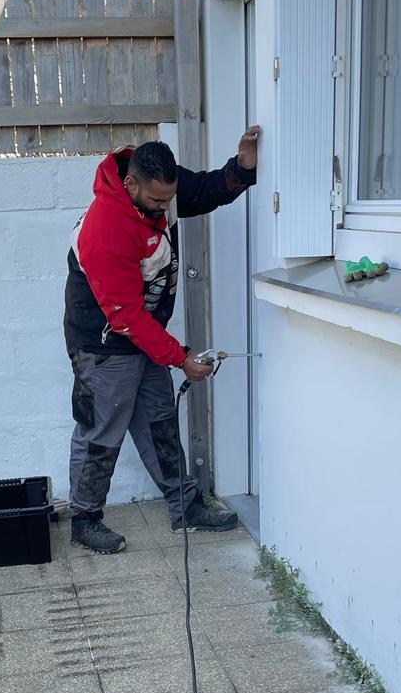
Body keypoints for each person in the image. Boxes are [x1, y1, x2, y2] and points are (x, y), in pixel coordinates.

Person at [64, 127, 261, 553]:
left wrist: (242, 168)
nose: (165, 206)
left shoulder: (161, 186)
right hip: (103, 342)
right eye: (157, 200)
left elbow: (206, 190)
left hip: (143, 334)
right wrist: (181, 356)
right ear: (131, 183)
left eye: (169, 198)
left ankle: (185, 508)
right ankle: (84, 518)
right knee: (101, 428)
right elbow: (125, 316)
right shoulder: (107, 228)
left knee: (159, 421)